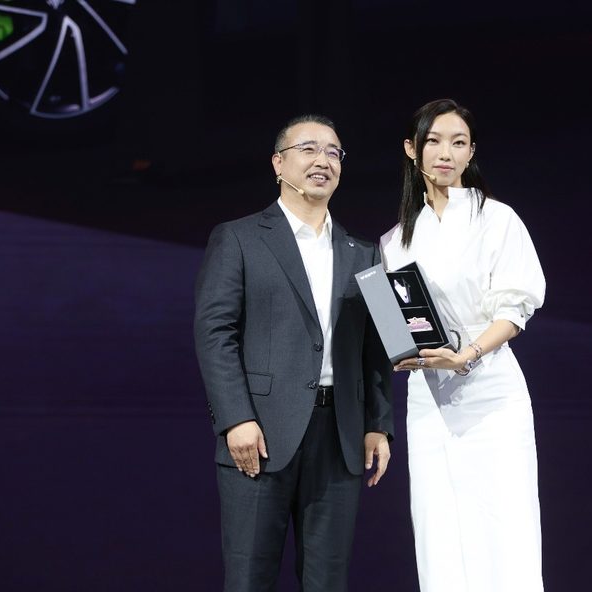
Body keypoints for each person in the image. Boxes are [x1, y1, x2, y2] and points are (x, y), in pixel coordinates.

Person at [193, 114, 394, 592]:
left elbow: (379, 346)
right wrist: (236, 418)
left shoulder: (365, 252)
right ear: (278, 164)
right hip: (260, 434)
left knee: (328, 582)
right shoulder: (238, 237)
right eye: (308, 149)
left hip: (340, 438)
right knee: (249, 579)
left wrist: (378, 423)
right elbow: (214, 332)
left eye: (333, 152)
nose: (323, 160)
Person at [381, 99, 546, 591]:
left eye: (458, 143)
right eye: (433, 141)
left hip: (491, 394)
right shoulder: (395, 241)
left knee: (503, 527)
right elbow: (396, 325)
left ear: (472, 152)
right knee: (439, 531)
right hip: (428, 401)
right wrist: (398, 349)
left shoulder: (496, 219)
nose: (445, 154)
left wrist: (467, 355)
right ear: (411, 149)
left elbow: (514, 308)